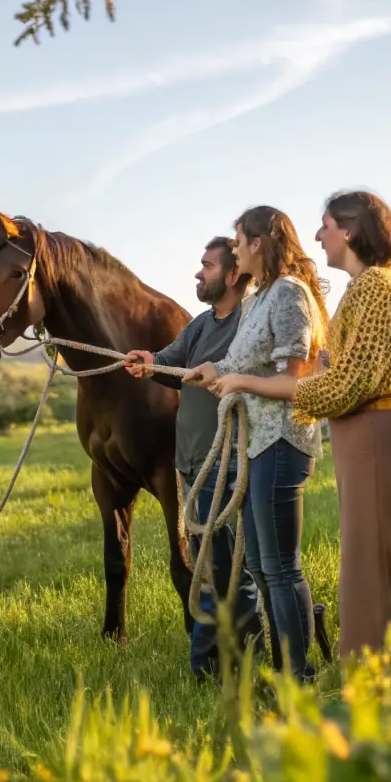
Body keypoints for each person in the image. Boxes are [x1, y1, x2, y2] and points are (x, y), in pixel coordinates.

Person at [206, 191, 391, 682]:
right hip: (364, 441)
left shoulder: (376, 286)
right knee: (366, 572)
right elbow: (330, 373)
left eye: (326, 224)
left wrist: (255, 384)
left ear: (350, 230)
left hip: (376, 437)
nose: (317, 236)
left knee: (382, 572)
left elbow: (346, 382)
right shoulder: (361, 289)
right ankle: (376, 689)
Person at [184, 206, 328, 682]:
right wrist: (216, 372)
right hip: (257, 444)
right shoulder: (258, 299)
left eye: (239, 240)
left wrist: (238, 379)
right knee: (265, 570)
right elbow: (243, 365)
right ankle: (288, 666)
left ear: (258, 245)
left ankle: (298, 676)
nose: (235, 248)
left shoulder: (287, 293)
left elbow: (296, 377)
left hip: (283, 441)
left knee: (282, 569)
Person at [124, 239, 262, 680]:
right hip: (193, 465)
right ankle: (217, 665)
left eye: (206, 266)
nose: (198, 275)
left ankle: (230, 664)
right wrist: (149, 361)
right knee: (206, 571)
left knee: (229, 571)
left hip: (230, 463)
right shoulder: (201, 325)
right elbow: (170, 361)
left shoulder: (250, 322)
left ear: (233, 274)